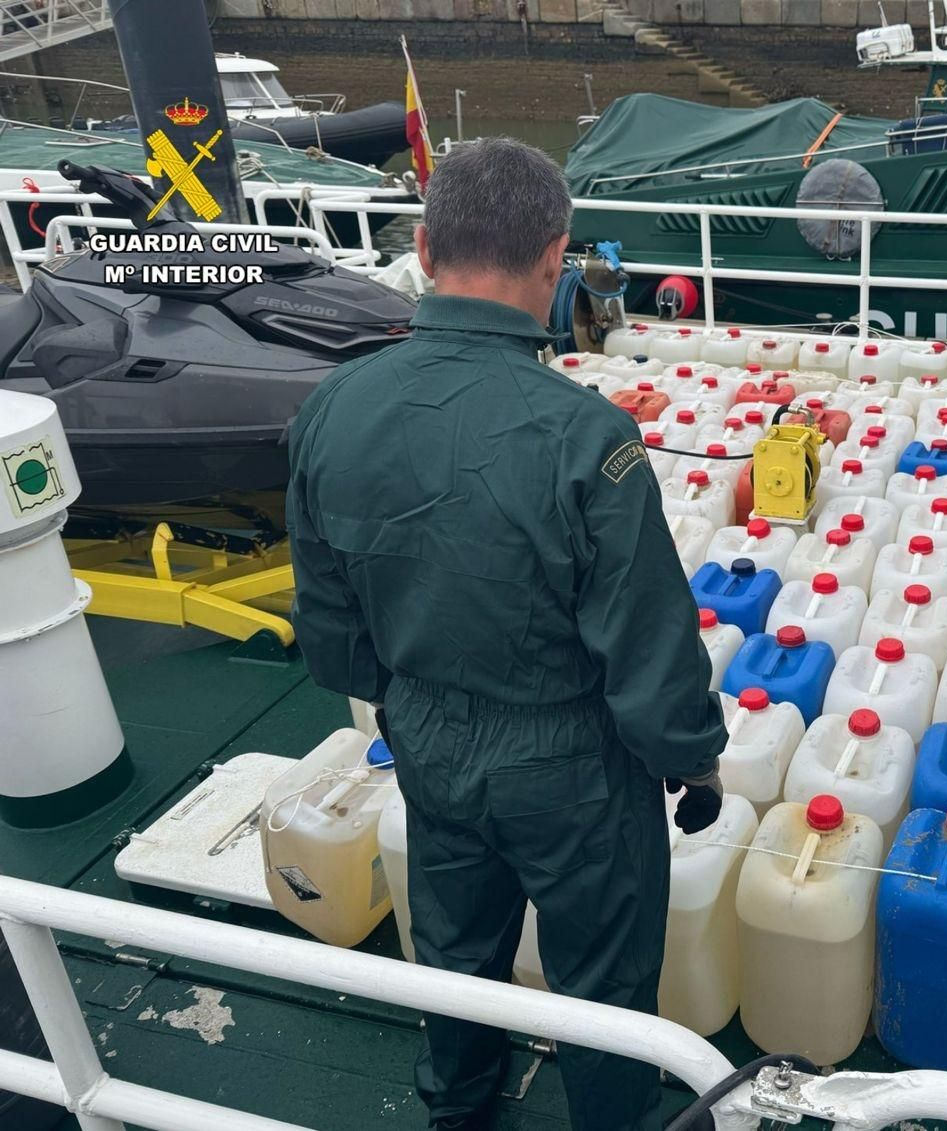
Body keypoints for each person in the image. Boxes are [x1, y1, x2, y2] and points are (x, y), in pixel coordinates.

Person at [285, 137, 727, 1131]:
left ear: (425, 246)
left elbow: (328, 627)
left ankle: (461, 1109)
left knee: (455, 956)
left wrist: (407, 697)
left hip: (428, 740)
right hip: (570, 765)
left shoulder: (330, 406)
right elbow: (648, 648)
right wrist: (690, 760)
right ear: (555, 255)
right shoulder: (585, 436)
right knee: (604, 985)